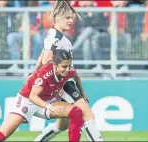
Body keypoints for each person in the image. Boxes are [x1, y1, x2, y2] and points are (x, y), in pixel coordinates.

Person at [0, 49, 84, 142]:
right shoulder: (45, 72)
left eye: (69, 66)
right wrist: (50, 107)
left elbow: (76, 76)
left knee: (76, 112)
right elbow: (32, 96)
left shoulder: (69, 70)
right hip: (27, 101)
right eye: (64, 67)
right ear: (55, 65)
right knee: (0, 136)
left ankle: (43, 137)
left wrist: (83, 94)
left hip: (48, 100)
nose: (67, 69)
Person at [33, 1, 103, 141]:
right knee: (87, 114)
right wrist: (55, 84)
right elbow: (46, 61)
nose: (71, 21)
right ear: (57, 18)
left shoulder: (54, 34)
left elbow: (42, 56)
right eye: (67, 18)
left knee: (62, 125)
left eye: (72, 18)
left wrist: (34, 73)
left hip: (65, 81)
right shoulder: (56, 37)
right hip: (64, 83)